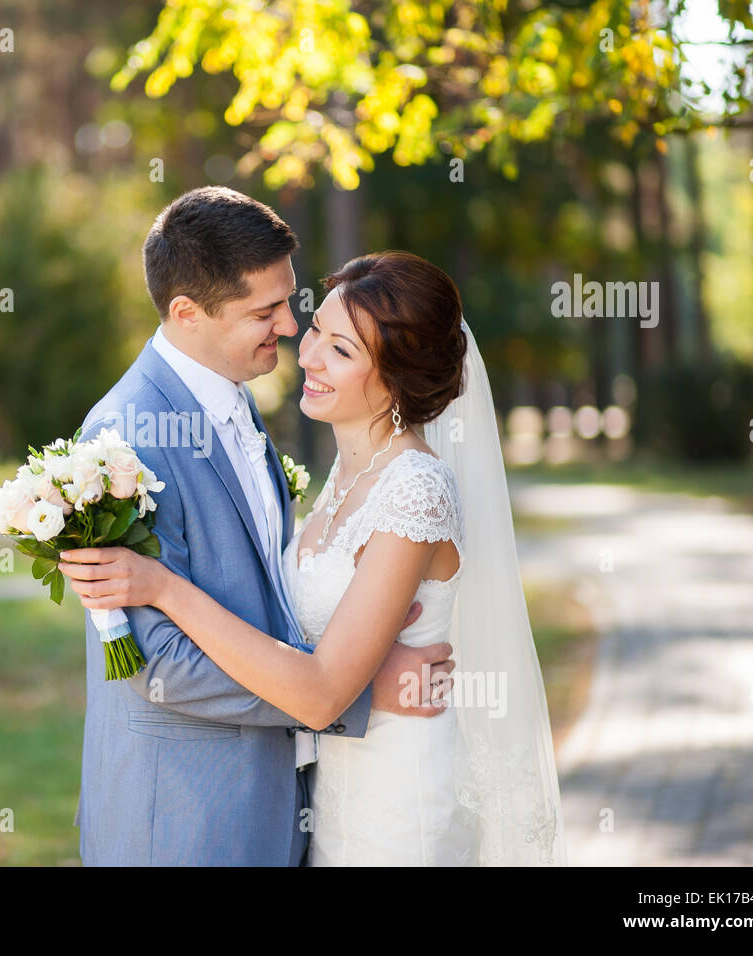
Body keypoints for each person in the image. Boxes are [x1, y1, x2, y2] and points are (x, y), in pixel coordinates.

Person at [64, 249, 567, 865]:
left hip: (394, 799)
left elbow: (324, 690)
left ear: (398, 377)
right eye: (318, 331)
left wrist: (163, 588)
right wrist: (369, 679)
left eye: (341, 349)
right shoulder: (345, 472)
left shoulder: (415, 490)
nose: (305, 352)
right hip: (324, 792)